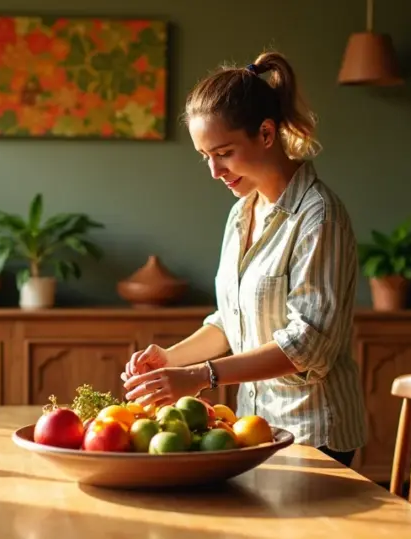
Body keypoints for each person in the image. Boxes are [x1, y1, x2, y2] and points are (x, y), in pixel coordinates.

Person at [120, 50, 367, 467]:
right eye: (205, 156)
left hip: (312, 435)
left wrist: (200, 376)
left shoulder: (318, 215)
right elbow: (233, 319)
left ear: (266, 134)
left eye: (224, 152)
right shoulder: (242, 212)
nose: (214, 170)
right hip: (254, 428)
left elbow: (308, 345)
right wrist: (171, 359)